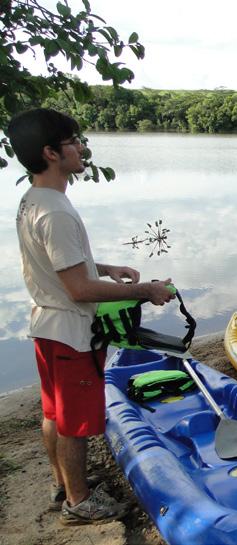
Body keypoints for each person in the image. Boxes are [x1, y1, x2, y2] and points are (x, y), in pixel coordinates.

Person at [7, 108, 175, 525]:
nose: (81, 148)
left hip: (45, 326)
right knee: (76, 424)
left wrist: (106, 268)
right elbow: (78, 289)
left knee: (53, 413)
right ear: (50, 153)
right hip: (70, 333)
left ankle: (62, 483)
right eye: (72, 142)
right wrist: (144, 290)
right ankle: (78, 503)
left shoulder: (33, 199)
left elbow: (62, 263)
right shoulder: (57, 211)